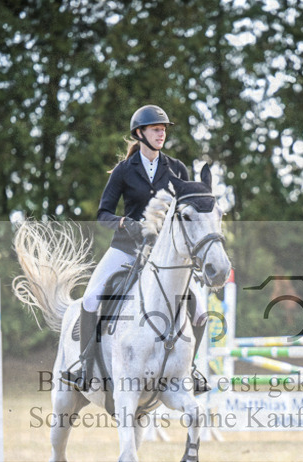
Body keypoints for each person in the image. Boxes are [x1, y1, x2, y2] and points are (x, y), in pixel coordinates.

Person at [64, 104, 210, 394]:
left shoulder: (177, 168)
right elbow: (103, 213)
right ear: (140, 133)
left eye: (164, 129)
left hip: (165, 255)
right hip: (127, 249)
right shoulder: (123, 170)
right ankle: (84, 365)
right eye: (156, 129)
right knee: (91, 298)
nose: (162, 133)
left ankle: (191, 369)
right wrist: (124, 224)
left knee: (201, 312)